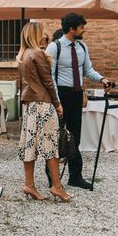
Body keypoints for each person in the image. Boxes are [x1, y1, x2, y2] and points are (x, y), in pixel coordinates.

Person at [45, 13, 112, 190]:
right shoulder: (54, 47)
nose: (84, 30)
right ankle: (52, 179)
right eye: (81, 27)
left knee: (75, 137)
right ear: (72, 29)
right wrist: (57, 102)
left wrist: (102, 79)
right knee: (55, 138)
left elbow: (88, 69)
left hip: (75, 96)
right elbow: (49, 76)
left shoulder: (82, 46)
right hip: (60, 95)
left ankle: (75, 177)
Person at [17, 23, 71, 202]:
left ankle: (29, 185)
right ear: (35, 35)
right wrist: (58, 104)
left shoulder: (23, 55)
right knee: (50, 145)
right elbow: (48, 82)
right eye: (42, 35)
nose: (45, 38)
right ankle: (56, 186)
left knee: (29, 145)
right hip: (44, 104)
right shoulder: (38, 54)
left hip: (30, 106)